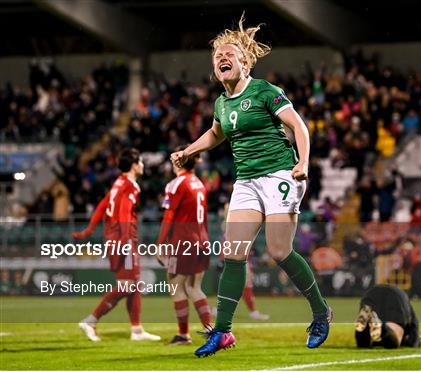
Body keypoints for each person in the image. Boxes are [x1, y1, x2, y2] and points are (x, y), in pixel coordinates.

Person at [171, 15, 331, 357]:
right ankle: (223, 332)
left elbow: (299, 127)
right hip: (247, 181)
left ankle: (320, 311)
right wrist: (189, 150)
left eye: (229, 54)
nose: (222, 59)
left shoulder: (264, 91)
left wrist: (303, 162)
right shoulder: (221, 102)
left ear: (245, 62)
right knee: (232, 253)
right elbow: (216, 133)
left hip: (279, 176)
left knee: (278, 252)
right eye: (217, 58)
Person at [73, 148, 160, 342]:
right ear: (135, 165)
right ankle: (91, 320)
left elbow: (102, 206)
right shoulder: (131, 185)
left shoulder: (118, 183)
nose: (143, 165)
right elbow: (124, 212)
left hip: (114, 238)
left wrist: (88, 230)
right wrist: (124, 242)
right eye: (141, 162)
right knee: (126, 286)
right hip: (124, 239)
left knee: (134, 285)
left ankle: (136, 330)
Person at [156, 147, 213, 345]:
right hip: (202, 240)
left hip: (183, 243)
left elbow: (169, 216)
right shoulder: (199, 184)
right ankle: (211, 331)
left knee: (176, 287)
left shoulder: (176, 184)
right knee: (194, 287)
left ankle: (183, 334)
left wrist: (160, 244)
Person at [355, 284, 421, 349]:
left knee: (363, 343)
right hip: (395, 295)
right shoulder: (411, 325)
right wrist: (413, 342)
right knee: (396, 336)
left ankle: (365, 327)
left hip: (371, 293)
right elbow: (414, 341)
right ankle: (382, 327)